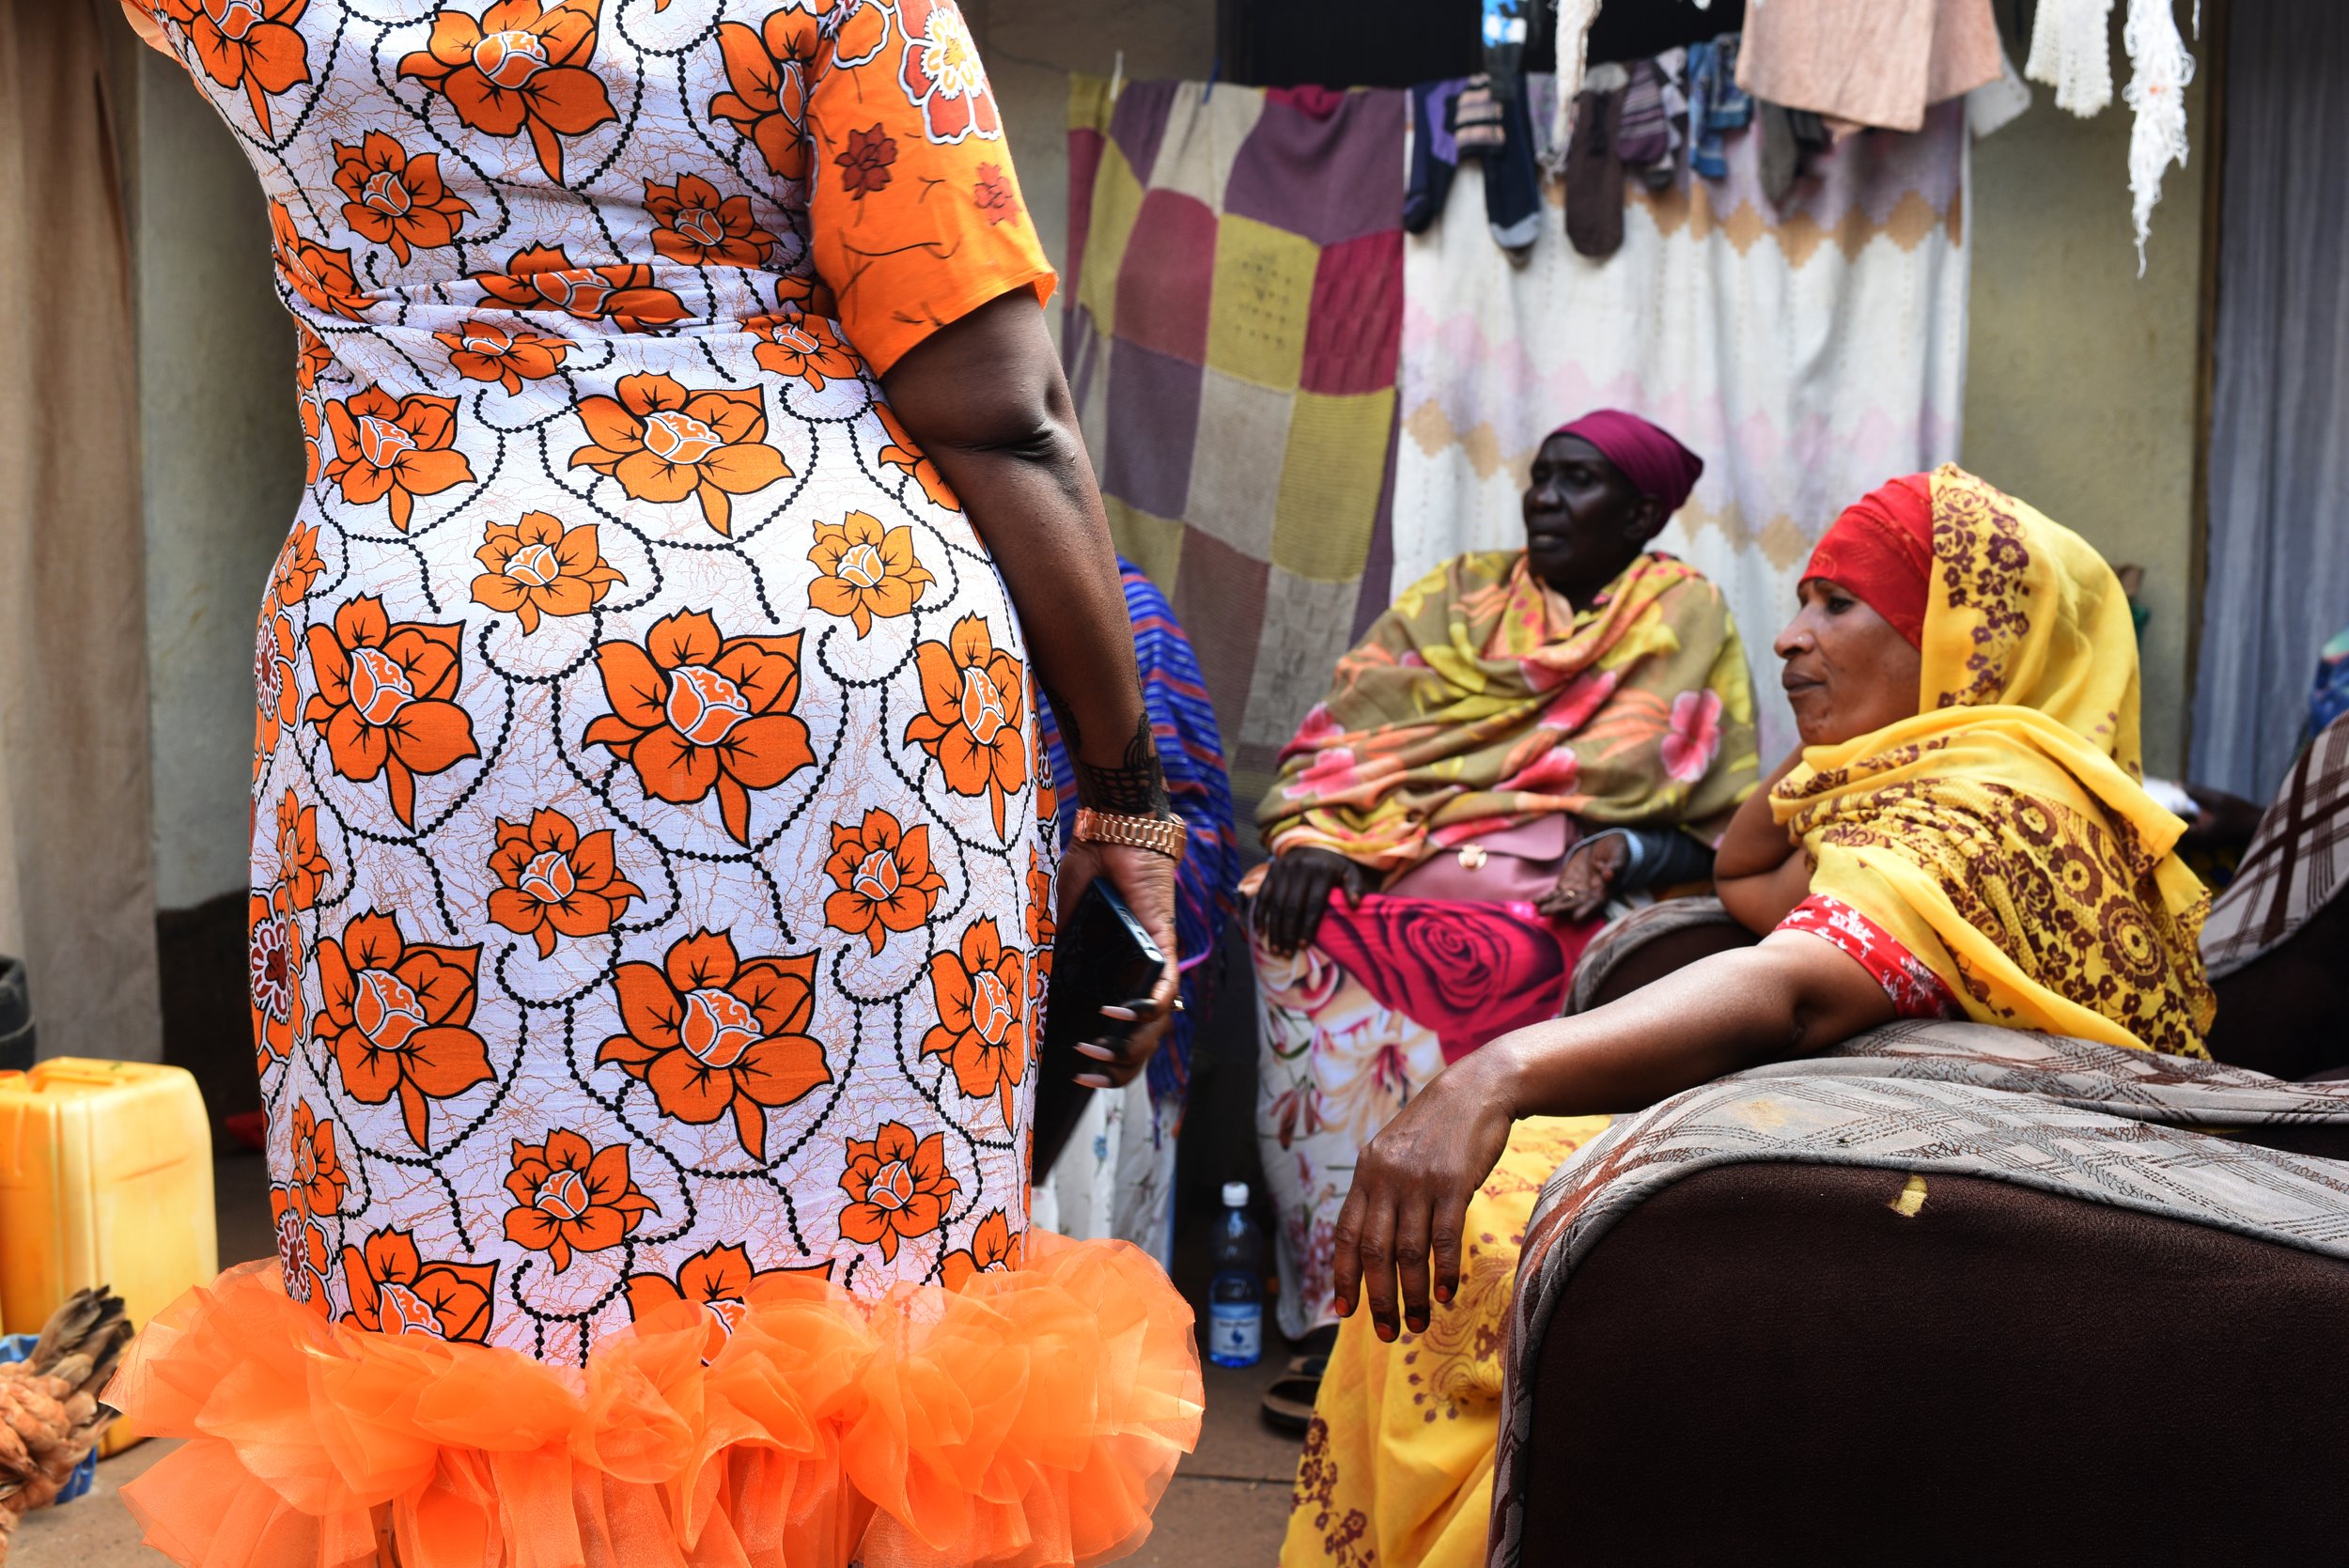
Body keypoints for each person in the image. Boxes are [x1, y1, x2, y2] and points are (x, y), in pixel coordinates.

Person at [107, 6, 1201, 1564]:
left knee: (457, 1313)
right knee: (862, 1304)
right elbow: (1007, 413)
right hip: (835, 702)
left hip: (421, 698)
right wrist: (1124, 794)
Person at [1281, 465, 2215, 1567]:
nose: (1787, 636)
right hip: (1923, 1163)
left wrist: (1490, 1075)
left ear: (1958, 644)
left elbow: (1794, 979)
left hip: (1987, 1220)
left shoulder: (1991, 797)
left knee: (1485, 1216)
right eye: (1801, 599)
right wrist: (1845, 744)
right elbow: (1747, 870)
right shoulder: (1942, 781)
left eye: (1836, 604)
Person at [1251, 410, 1760, 1344]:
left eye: (1577, 482)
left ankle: (1496, 1313)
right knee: (1282, 919)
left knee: (1530, 952)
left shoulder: (1681, 613)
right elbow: (1354, 737)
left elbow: (1719, 827)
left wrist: (1612, 851)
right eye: (1541, 477)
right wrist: (1319, 838)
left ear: (1642, 514)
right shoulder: (1461, 593)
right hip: (1408, 857)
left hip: (1564, 895)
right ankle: (1336, 1308)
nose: (1546, 500)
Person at [1033, 558, 1239, 1266]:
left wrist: (1122, 844)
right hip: (921, 954)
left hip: (1081, 974)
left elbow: (1190, 814)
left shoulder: (1123, 613)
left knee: (1069, 1281)